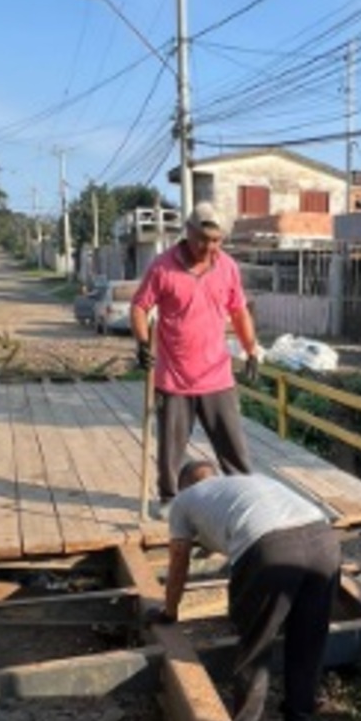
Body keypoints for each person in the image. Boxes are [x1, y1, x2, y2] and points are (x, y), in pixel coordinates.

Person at [147, 460, 340, 721]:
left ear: (184, 485)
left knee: (256, 646)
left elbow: (178, 560)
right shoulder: (252, 480)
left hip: (270, 549)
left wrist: (169, 611)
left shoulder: (183, 500)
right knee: (308, 639)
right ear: (215, 477)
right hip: (324, 540)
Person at [131, 206, 263, 503]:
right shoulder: (162, 267)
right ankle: (169, 500)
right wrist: (141, 342)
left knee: (234, 449)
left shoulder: (228, 267)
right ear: (188, 232)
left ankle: (245, 500)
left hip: (217, 375)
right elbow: (140, 306)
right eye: (204, 239)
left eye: (217, 240)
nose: (210, 247)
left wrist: (251, 349)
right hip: (174, 378)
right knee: (170, 451)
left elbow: (239, 311)